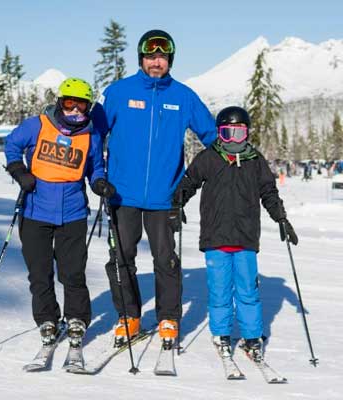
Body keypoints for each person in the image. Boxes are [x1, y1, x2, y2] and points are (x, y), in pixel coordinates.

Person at [99, 29, 217, 346]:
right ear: (141, 59)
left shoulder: (183, 96)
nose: (156, 62)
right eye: (150, 57)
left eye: (162, 57)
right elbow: (93, 136)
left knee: (166, 260)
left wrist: (234, 164)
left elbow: (213, 139)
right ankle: (129, 316)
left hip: (166, 197)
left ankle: (168, 318)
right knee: (120, 258)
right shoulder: (118, 92)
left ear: (170, 60)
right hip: (121, 194)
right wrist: (97, 176)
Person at [173, 106, 298, 361]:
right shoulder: (209, 158)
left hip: (246, 239)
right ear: (219, 133)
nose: (233, 140)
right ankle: (221, 333)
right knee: (219, 290)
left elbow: (269, 193)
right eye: (227, 134)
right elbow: (189, 183)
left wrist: (281, 218)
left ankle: (252, 336)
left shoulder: (255, 160)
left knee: (247, 290)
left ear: (247, 134)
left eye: (238, 134)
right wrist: (177, 204)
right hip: (215, 238)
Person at [5, 78, 115, 348]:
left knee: (73, 272)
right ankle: (47, 319)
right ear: (60, 102)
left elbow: (94, 167)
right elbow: (11, 144)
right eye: (69, 104)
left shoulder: (91, 134)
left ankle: (77, 317)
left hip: (73, 214)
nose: (75, 111)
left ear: (88, 108)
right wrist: (19, 171)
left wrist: (99, 182)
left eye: (82, 105)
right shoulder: (37, 125)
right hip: (35, 212)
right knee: (40, 273)